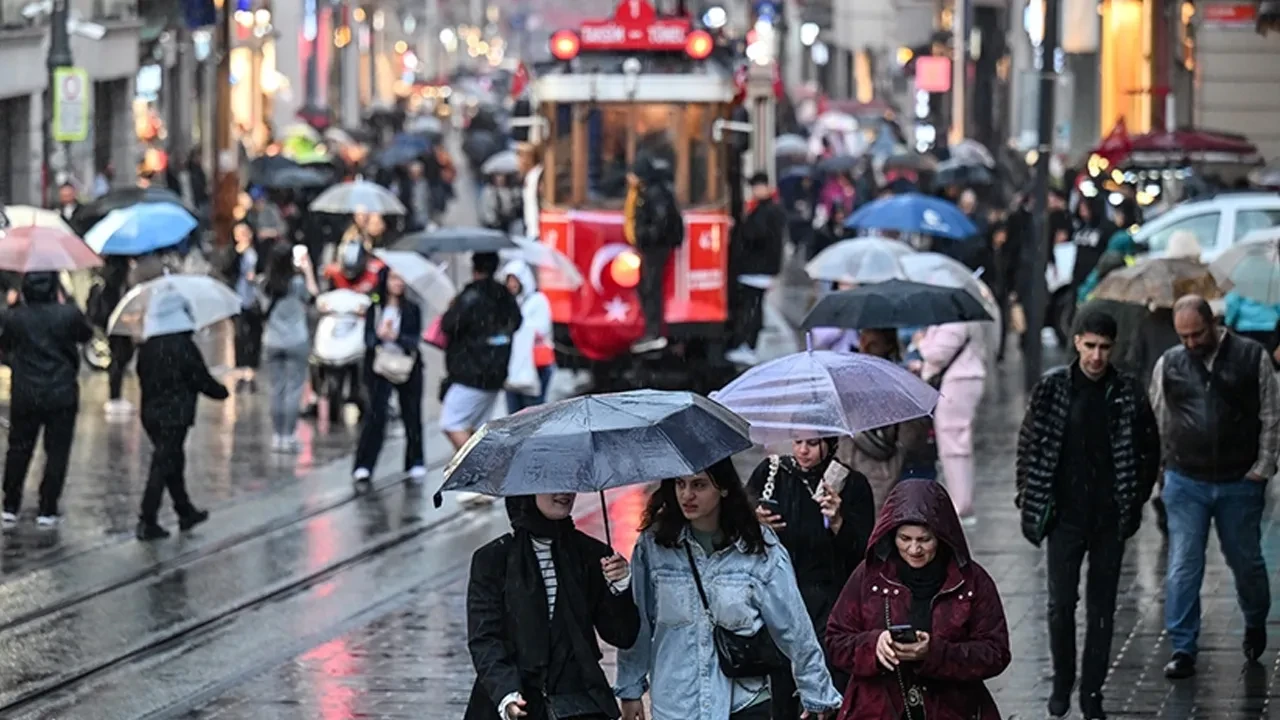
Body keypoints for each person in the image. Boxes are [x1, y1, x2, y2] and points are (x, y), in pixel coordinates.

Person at [615, 458, 843, 720]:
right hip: (677, 703)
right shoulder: (654, 547)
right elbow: (638, 624)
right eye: (680, 484)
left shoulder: (759, 547)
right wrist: (630, 690)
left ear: (723, 488)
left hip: (743, 702)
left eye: (699, 485)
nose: (687, 495)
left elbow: (794, 626)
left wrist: (816, 690)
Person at [1016, 310, 1160, 719]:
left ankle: (1092, 690)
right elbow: (1029, 442)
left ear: (1113, 348)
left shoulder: (1127, 391)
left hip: (1109, 517)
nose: (1097, 356)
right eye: (1090, 345)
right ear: (1077, 342)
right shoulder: (1053, 388)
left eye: (1104, 348)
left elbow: (1149, 448)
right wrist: (1029, 493)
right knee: (1060, 604)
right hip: (1064, 515)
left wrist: (1135, 497)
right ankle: (1063, 680)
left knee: (1102, 607)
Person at [1149, 295, 1279, 678]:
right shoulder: (1169, 363)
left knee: (1247, 563)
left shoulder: (1251, 356)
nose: (1190, 343)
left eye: (1196, 334)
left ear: (1213, 324)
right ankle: (1183, 646)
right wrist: (1159, 473)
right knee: (1183, 564)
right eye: (1183, 336)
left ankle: (1255, 619)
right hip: (1186, 479)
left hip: (1239, 480)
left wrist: (1264, 466)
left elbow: (1271, 414)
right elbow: (1156, 418)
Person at [825, 479, 1012, 720]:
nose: (914, 549)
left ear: (941, 537)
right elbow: (835, 640)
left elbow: (995, 652)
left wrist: (934, 653)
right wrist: (874, 645)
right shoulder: (868, 576)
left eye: (924, 540)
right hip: (878, 709)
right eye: (905, 539)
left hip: (952, 709)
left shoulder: (972, 581)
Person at [465, 495, 639, 720]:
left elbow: (622, 635)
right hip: (514, 703)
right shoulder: (493, 559)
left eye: (569, 482)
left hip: (578, 704)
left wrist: (620, 587)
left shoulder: (591, 554)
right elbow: (485, 638)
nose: (564, 492)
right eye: (550, 484)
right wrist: (506, 693)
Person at [747, 437, 875, 720]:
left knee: (828, 689)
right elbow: (740, 534)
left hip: (829, 603)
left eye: (813, 443)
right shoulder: (771, 473)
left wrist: (839, 521)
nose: (803, 450)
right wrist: (756, 522)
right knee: (781, 688)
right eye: (797, 441)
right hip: (779, 598)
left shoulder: (852, 484)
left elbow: (863, 554)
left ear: (829, 443)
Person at [0, 273, 93, 528]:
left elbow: (4, 345)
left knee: (19, 449)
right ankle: (47, 508)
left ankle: (10, 504)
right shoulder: (69, 314)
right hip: (61, 393)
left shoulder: (14, 317)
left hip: (26, 393)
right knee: (57, 453)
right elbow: (86, 335)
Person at [135, 293, 230, 540]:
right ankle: (147, 518)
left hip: (150, 413)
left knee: (171, 461)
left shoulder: (148, 347)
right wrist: (221, 391)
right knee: (163, 463)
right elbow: (199, 377)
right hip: (175, 415)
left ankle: (184, 510)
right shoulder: (183, 346)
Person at [440, 252, 523, 458]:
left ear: (474, 268)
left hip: (469, 372)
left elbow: (449, 325)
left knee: (451, 423)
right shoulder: (504, 296)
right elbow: (517, 322)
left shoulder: (470, 296)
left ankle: (483, 469)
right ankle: (481, 476)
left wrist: (453, 307)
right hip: (495, 371)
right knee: (477, 427)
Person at [352, 270, 426, 491]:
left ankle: (415, 460)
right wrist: (379, 335)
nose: (398, 283)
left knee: (411, 415)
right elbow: (367, 339)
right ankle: (364, 464)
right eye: (394, 278)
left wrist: (397, 338)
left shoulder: (412, 309)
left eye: (402, 279)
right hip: (379, 367)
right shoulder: (375, 308)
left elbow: (414, 340)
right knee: (376, 416)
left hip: (406, 366)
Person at [916, 321, 987, 525]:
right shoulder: (957, 318)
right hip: (959, 379)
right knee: (953, 443)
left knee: (954, 443)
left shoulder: (955, 320)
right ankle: (959, 501)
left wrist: (922, 342)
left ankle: (960, 504)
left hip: (958, 382)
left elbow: (938, 353)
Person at [261, 243, 320, 452]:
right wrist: (308, 271)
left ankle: (277, 435)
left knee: (276, 389)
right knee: (294, 389)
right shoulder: (297, 284)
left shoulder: (265, 285)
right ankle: (289, 435)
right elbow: (314, 296)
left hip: (272, 340)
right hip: (296, 340)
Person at [726, 173, 787, 366]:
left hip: (756, 268)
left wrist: (739, 230)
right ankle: (748, 345)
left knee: (752, 307)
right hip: (761, 268)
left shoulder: (765, 211)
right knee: (754, 306)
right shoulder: (771, 209)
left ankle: (749, 345)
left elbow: (756, 235)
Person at [625, 155, 683, 354]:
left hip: (655, 248)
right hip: (653, 247)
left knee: (650, 287)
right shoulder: (649, 191)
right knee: (647, 287)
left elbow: (660, 222)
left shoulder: (653, 193)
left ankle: (655, 332)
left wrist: (644, 235)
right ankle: (653, 331)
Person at [499, 260, 555, 412]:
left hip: (536, 366)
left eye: (514, 280)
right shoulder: (509, 303)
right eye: (508, 280)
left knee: (533, 414)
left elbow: (541, 330)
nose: (511, 285)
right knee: (514, 417)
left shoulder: (537, 301)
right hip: (513, 368)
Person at [231, 221, 263, 392]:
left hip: (255, 299)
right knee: (240, 337)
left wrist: (257, 277)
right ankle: (240, 373)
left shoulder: (258, 252)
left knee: (254, 337)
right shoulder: (233, 253)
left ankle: (251, 373)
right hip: (238, 299)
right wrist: (237, 254)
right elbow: (226, 269)